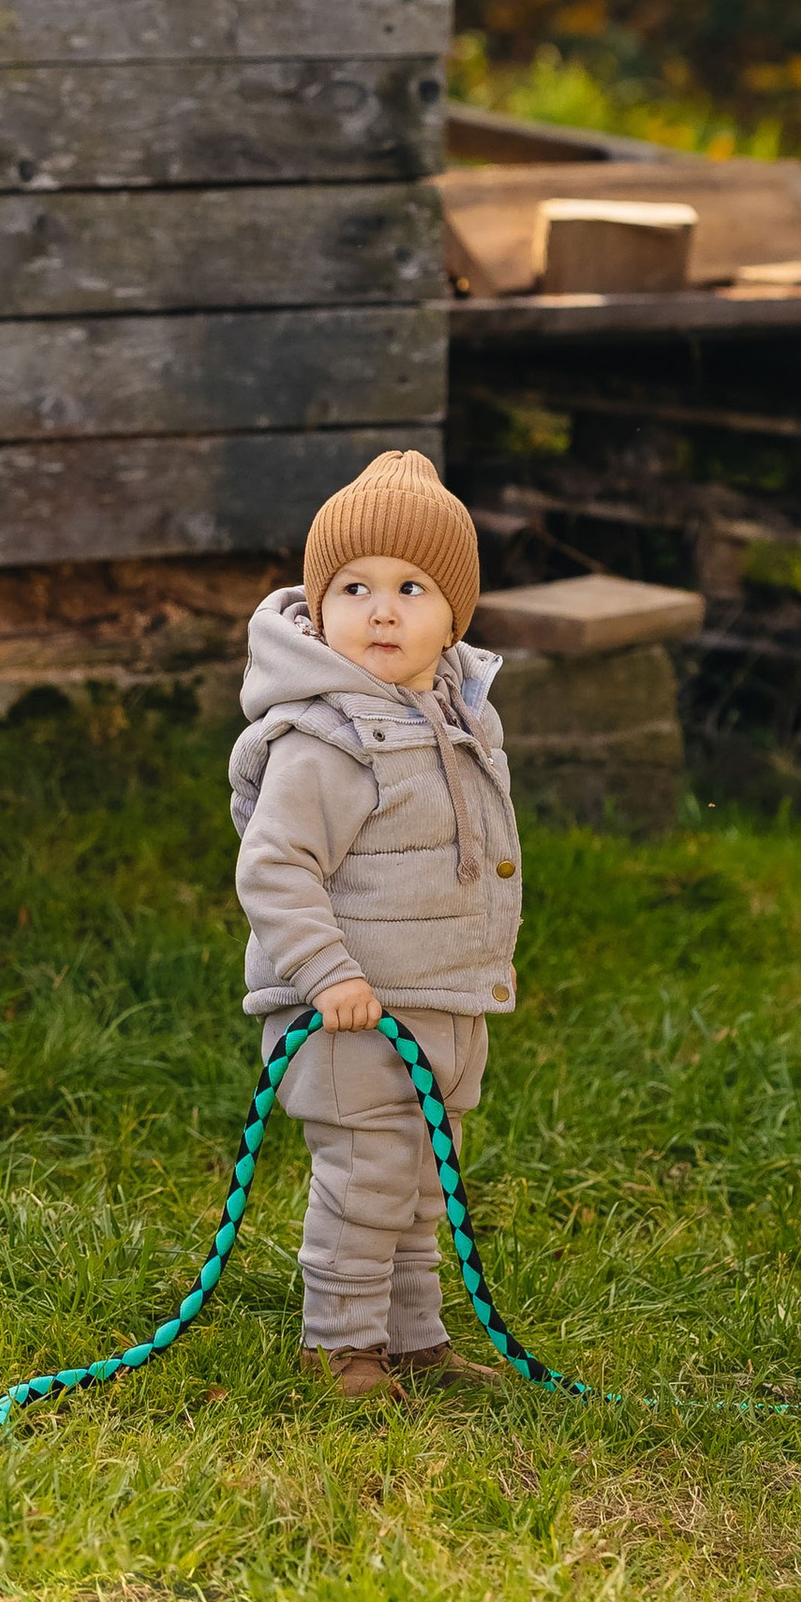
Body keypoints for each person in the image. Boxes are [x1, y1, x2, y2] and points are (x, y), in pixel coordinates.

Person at [229, 447, 522, 1401]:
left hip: (438, 1000)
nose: (382, 609)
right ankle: (340, 1346)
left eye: (411, 588)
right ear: (318, 610)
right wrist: (327, 975)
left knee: (420, 1184)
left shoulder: (457, 715)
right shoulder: (325, 737)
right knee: (365, 1179)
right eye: (353, 587)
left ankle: (413, 1335)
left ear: (455, 615)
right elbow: (276, 866)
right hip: (351, 1010)